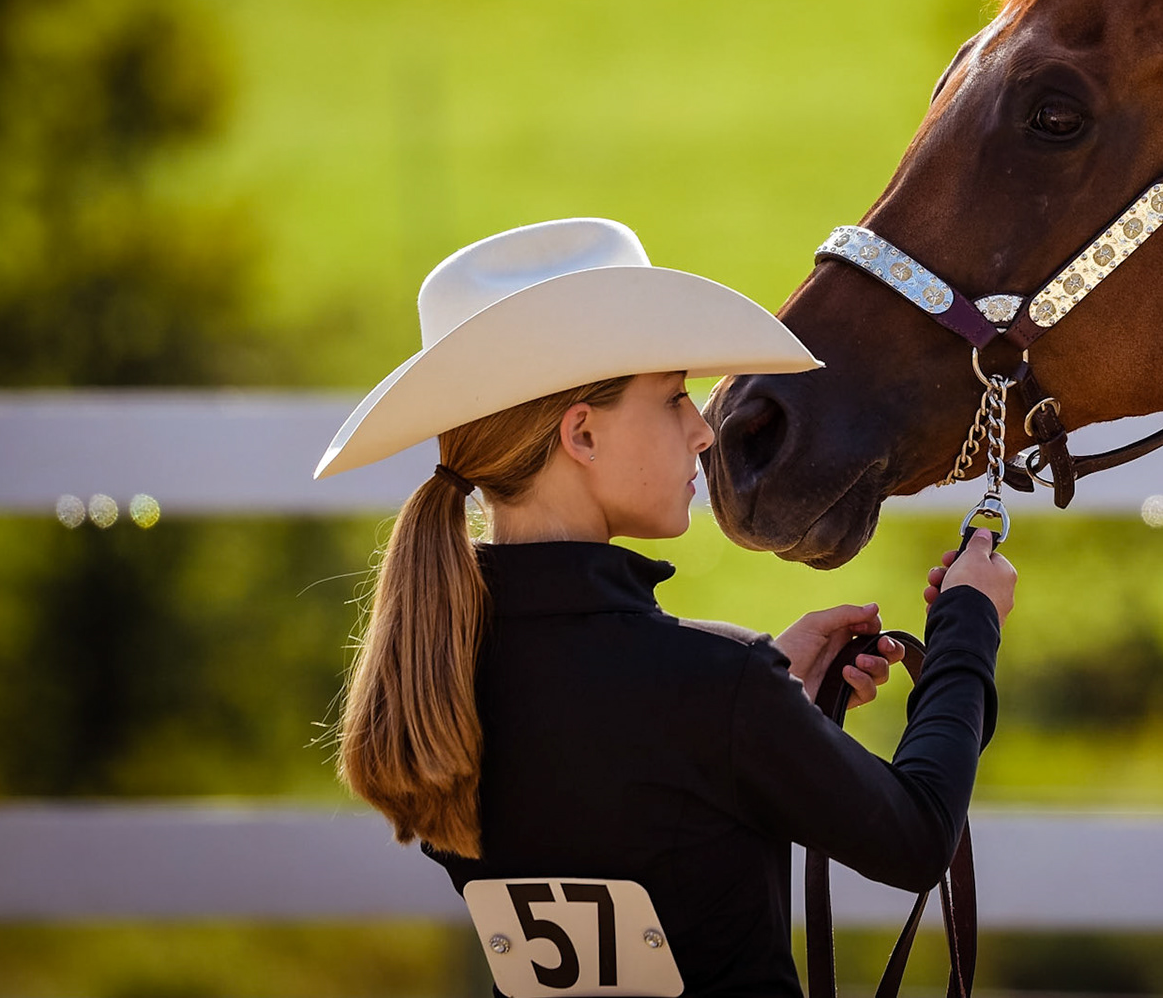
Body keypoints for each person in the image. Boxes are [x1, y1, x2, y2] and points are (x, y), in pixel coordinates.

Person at [315, 217, 1015, 996]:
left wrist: (769, 704)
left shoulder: (438, 680)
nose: (702, 431)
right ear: (582, 434)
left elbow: (634, 764)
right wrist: (967, 629)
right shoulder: (714, 689)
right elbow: (916, 839)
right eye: (675, 396)